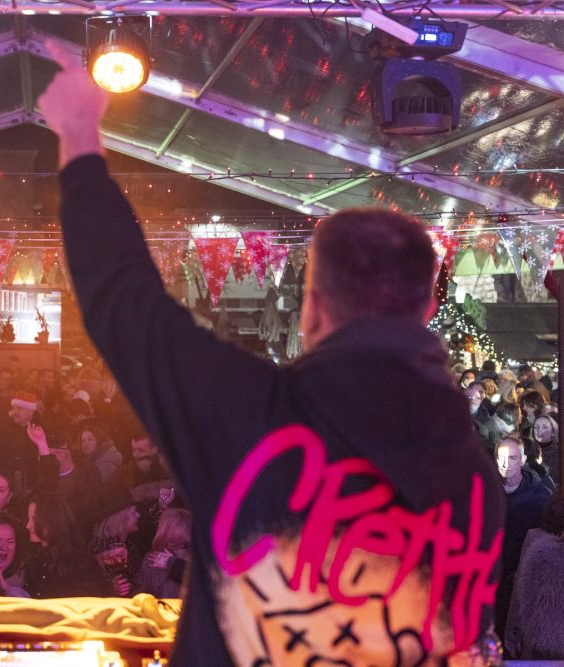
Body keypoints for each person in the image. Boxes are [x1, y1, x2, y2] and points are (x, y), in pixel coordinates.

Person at [38, 43, 504, 665]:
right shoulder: (475, 483)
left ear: (314, 309)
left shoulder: (249, 417)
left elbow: (123, 300)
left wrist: (78, 137)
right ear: (424, 309)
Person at [495, 435, 553, 636]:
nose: (505, 464)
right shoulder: (485, 491)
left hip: (521, 577)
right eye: (501, 458)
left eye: (512, 458)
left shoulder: (540, 496)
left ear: (522, 460)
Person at [504, 489, 564, 659]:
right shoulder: (540, 544)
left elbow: (520, 592)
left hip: (539, 640)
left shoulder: (535, 540)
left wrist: (512, 633)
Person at [24, 492, 106, 598]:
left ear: (52, 521)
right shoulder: (34, 561)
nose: (28, 526)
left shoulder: (80, 563)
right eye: (29, 519)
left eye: (34, 519)